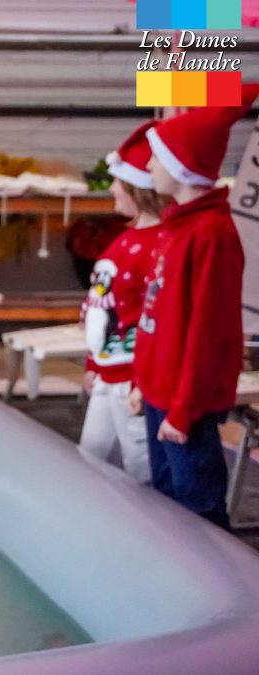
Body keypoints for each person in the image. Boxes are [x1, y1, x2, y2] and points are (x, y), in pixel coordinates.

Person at [131, 84, 258, 530]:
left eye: (156, 158)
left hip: (184, 403)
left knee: (199, 514)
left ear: (182, 167)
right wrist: (141, 382)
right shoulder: (176, 229)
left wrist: (183, 410)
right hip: (159, 394)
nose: (148, 167)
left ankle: (229, 599)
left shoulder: (211, 235)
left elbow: (208, 333)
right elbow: (157, 317)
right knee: (167, 506)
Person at [77, 122, 170, 484]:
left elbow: (154, 317)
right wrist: (93, 362)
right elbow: (102, 305)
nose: (112, 187)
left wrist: (142, 380)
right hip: (108, 371)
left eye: (119, 180)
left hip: (130, 377)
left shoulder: (159, 244)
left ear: (138, 187)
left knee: (141, 468)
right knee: (92, 459)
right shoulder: (126, 238)